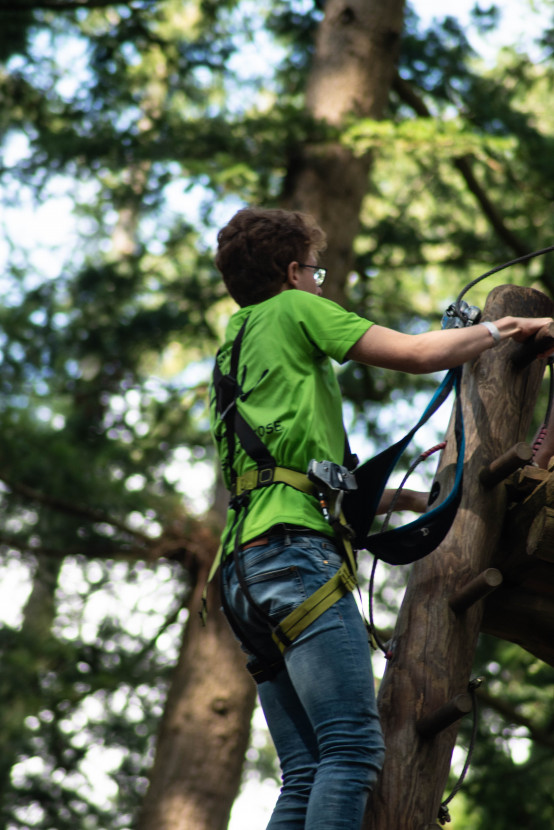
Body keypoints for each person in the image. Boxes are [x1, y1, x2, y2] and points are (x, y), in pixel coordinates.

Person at [209, 207, 553, 830]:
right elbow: (419, 353)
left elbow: (277, 470)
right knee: (352, 751)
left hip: (241, 575)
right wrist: (505, 330)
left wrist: (405, 500)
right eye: (315, 272)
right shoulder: (295, 308)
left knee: (307, 771)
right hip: (293, 555)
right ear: (292, 272)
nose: (321, 283)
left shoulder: (232, 345)